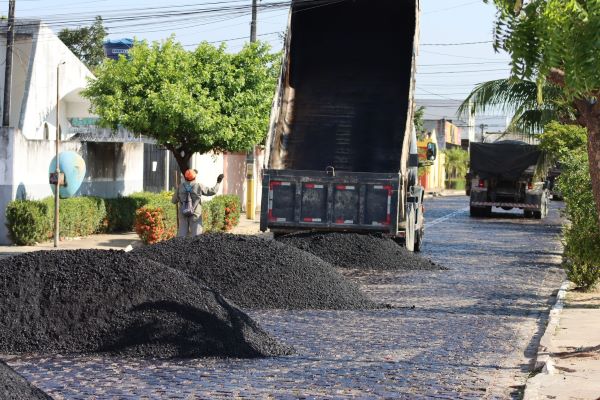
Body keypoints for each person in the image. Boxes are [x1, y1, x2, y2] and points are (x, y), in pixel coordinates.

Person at [172, 169, 224, 237]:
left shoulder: (180, 187)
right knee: (196, 238)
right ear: (195, 177)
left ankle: (180, 247)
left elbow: (173, 201)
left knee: (181, 237)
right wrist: (218, 182)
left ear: (185, 177)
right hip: (195, 214)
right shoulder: (199, 186)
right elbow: (212, 191)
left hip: (183, 214)